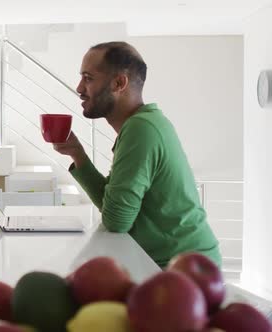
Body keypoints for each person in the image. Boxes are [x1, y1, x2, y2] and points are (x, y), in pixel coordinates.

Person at [53, 41, 221, 268]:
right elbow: (114, 208)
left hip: (185, 268)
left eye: (88, 78)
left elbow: (117, 220)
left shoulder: (140, 129)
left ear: (119, 83)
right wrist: (78, 155)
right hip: (179, 261)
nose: (80, 88)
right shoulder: (144, 124)